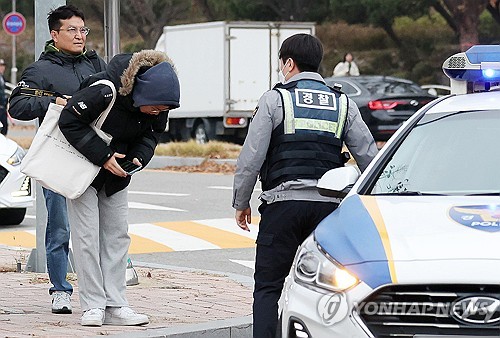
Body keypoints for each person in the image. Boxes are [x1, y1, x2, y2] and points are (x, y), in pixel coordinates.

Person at [232, 34, 378, 338]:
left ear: (288, 63)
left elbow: (251, 158)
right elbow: (370, 158)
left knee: (269, 288)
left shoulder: (275, 99)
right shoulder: (343, 103)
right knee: (329, 289)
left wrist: (241, 201)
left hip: (282, 207)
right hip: (329, 212)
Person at [58, 49, 180, 327]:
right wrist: (104, 156)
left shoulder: (159, 103)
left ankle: (116, 304)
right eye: (156, 108)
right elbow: (69, 120)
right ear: (140, 94)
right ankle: (92, 305)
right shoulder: (104, 91)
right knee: (86, 238)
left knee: (117, 237)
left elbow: (151, 134)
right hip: (84, 170)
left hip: (118, 175)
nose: (159, 113)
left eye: (165, 110)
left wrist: (140, 156)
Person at [8, 5, 106, 314]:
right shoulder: (41, 69)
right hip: (58, 159)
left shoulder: (95, 63)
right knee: (60, 228)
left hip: (96, 156)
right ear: (55, 34)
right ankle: (60, 289)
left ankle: (103, 293)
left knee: (101, 229)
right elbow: (18, 105)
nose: (79, 36)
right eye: (72, 30)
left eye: (83, 30)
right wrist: (53, 101)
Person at [0, 59, 7, 135]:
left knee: (4, 128)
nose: (2, 68)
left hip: (3, 107)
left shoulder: (3, 78)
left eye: (3, 66)